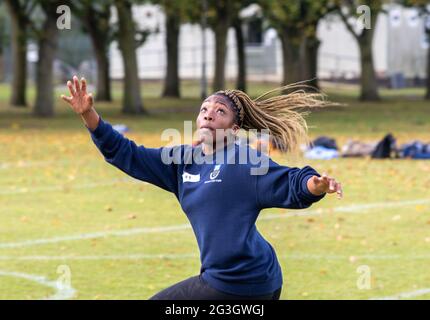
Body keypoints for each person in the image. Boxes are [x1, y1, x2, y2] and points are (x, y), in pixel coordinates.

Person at [61, 76, 343, 300]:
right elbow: (126, 153)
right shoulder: (181, 162)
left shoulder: (244, 161)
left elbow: (291, 182)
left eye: (220, 112)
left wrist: (315, 185)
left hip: (241, 284)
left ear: (233, 130)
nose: (209, 114)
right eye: (204, 109)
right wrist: (89, 115)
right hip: (242, 282)